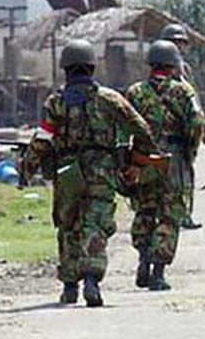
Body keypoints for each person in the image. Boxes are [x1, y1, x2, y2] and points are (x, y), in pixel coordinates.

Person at [19, 39, 161, 307]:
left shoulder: (56, 103)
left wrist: (26, 169)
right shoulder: (110, 99)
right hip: (102, 170)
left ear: (65, 69)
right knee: (95, 223)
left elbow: (42, 140)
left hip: (67, 171)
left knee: (68, 224)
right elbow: (142, 129)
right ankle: (92, 281)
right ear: (92, 67)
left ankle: (69, 287)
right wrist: (136, 163)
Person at [126, 41, 205, 291]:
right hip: (173, 158)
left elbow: (123, 125)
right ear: (173, 66)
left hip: (143, 158)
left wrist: (129, 159)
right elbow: (197, 123)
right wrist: (189, 153)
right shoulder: (184, 92)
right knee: (169, 214)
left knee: (145, 209)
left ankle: (142, 260)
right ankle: (158, 272)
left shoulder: (135, 92)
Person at [159, 22, 205, 231]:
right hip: (163, 131)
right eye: (173, 42)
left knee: (185, 175)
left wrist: (201, 131)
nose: (178, 46)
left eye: (181, 43)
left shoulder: (185, 70)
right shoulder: (160, 67)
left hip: (184, 130)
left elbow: (193, 100)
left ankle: (184, 214)